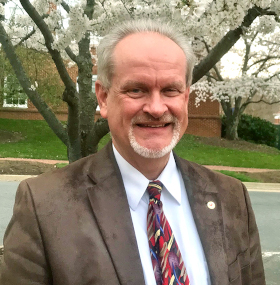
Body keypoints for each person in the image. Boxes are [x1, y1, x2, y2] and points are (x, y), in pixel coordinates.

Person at [0, 19, 265, 285]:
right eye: (136, 89)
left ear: (185, 98)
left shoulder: (232, 198)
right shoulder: (44, 205)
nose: (157, 108)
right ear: (103, 97)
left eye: (171, 90)